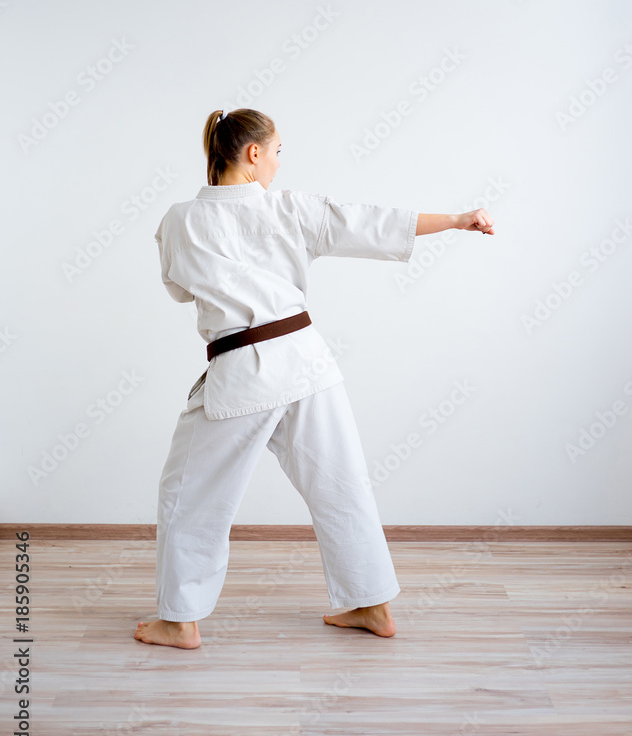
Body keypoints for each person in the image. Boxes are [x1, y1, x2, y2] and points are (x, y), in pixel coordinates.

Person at [135, 107, 494, 649]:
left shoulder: (180, 220)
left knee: (189, 492)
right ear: (253, 153)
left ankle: (180, 619)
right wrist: (456, 219)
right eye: (277, 152)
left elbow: (180, 290)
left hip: (244, 372)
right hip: (309, 363)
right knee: (341, 485)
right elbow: (367, 223)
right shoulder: (290, 209)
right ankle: (372, 605)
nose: (279, 163)